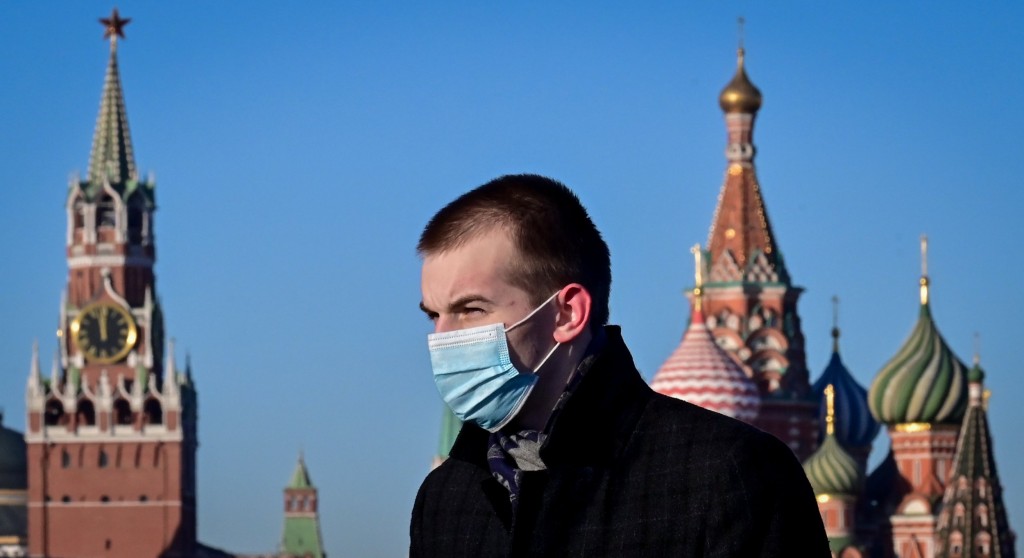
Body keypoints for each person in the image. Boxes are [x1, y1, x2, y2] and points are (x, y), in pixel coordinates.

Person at [410, 174, 829, 557]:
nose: (443, 338)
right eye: (434, 315)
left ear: (567, 314)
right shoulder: (449, 495)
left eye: (471, 309)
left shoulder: (727, 474)